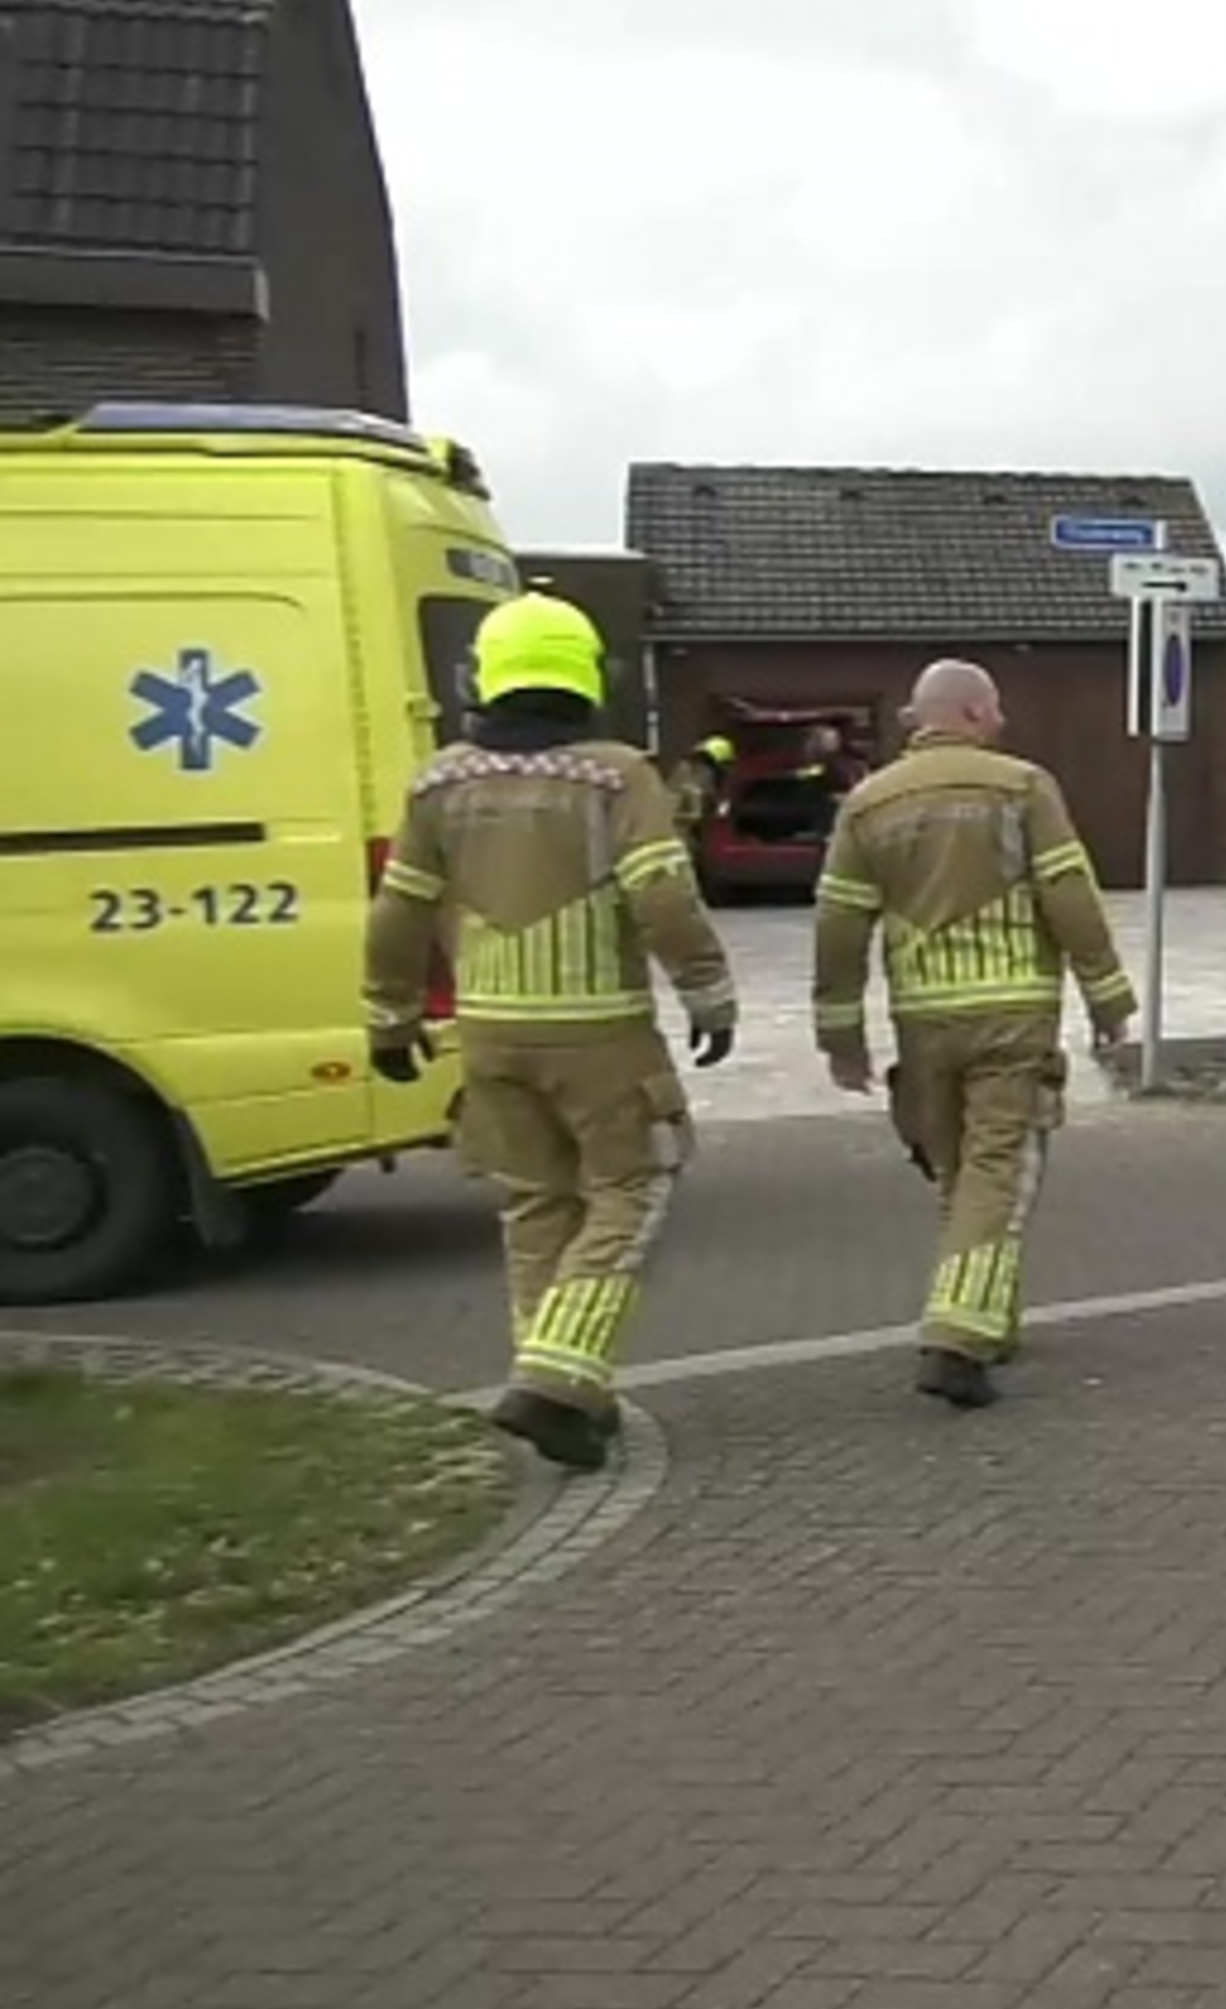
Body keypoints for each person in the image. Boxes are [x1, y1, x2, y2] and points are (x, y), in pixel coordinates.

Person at [364, 593, 737, 1473]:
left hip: (490, 1036)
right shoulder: (619, 776)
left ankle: (571, 1395)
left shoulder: (436, 781)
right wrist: (708, 993)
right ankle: (555, 1379)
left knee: (536, 1205)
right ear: (584, 672)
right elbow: (662, 895)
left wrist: (389, 1011)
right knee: (633, 1190)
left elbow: (399, 910)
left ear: (486, 676)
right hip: (600, 1034)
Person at [810, 659, 1136, 1409]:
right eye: (994, 709)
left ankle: (993, 1321)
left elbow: (838, 921)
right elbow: (1067, 891)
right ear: (972, 712)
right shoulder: (1021, 786)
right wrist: (1108, 994)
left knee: (960, 1175)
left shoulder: (866, 803)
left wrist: (840, 1033)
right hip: (1011, 1014)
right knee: (1001, 1170)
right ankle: (955, 1336)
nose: (1003, 721)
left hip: (923, 1021)